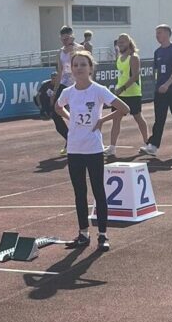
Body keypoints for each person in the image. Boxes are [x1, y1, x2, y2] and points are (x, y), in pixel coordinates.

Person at [55, 50, 129, 252]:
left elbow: (124, 108)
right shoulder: (68, 92)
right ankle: (83, 233)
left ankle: (103, 235)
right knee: (79, 193)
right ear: (71, 68)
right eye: (76, 65)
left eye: (83, 65)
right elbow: (57, 107)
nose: (79, 68)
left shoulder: (98, 90)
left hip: (93, 149)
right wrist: (70, 118)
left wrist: (102, 120)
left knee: (98, 191)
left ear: (90, 68)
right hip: (74, 149)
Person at [140, 24, 172, 157]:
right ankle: (154, 145)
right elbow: (157, 71)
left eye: (159, 33)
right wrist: (159, 85)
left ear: (167, 34)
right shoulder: (157, 52)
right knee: (159, 118)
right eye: (156, 33)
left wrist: (167, 84)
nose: (157, 36)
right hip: (160, 91)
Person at [107, 33, 149, 155]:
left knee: (138, 117)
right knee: (116, 119)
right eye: (119, 42)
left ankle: (147, 143)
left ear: (129, 43)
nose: (120, 44)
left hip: (133, 93)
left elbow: (135, 75)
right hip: (120, 94)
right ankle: (112, 147)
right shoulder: (120, 58)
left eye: (123, 42)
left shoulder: (134, 57)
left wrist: (123, 88)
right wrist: (119, 89)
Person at [53, 26, 84, 155]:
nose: (65, 41)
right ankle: (69, 138)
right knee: (56, 112)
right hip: (64, 85)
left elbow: (85, 65)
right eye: (63, 39)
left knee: (77, 112)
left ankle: (80, 141)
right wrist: (55, 90)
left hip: (78, 84)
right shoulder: (60, 51)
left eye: (67, 38)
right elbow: (60, 71)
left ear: (71, 36)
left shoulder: (79, 49)